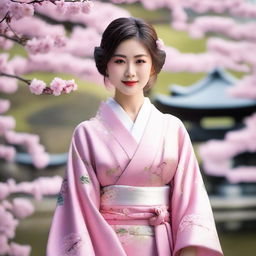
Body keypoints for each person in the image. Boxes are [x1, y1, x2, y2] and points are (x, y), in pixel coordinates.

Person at [47, 17, 223, 256]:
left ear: (152, 65)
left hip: (165, 244)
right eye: (120, 61)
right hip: (106, 247)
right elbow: (77, 210)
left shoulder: (173, 128)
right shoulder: (87, 134)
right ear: (106, 65)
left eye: (140, 61)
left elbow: (192, 200)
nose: (130, 72)